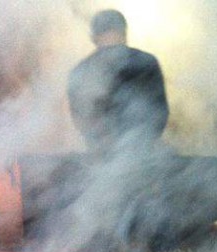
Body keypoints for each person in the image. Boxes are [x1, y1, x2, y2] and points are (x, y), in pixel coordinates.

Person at [67, 9, 169, 157]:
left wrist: (101, 146)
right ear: (124, 34)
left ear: (94, 37)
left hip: (100, 160)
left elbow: (80, 120)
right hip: (141, 158)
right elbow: (160, 113)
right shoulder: (147, 62)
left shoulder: (80, 70)